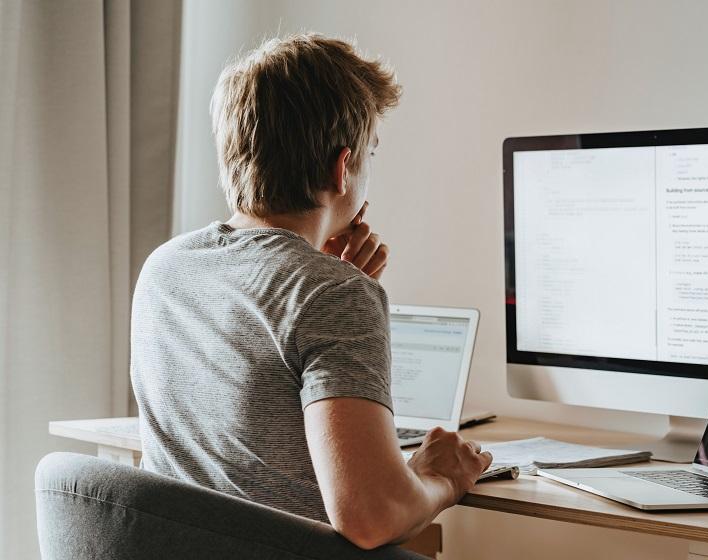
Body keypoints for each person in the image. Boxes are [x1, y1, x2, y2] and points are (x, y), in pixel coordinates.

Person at [130, 33, 492, 550]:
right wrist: (442, 478)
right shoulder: (331, 294)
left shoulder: (165, 268)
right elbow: (371, 517)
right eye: (370, 153)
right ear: (342, 168)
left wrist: (328, 282)